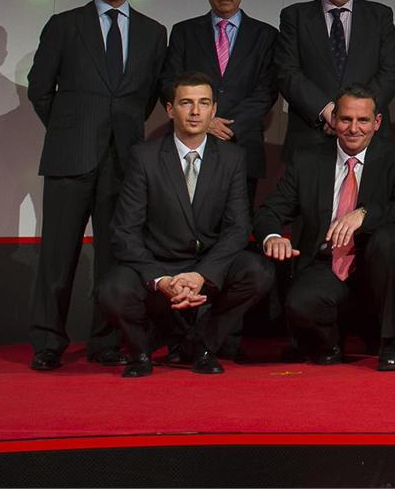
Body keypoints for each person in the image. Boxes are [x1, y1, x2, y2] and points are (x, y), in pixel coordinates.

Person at [27, 0, 167, 371]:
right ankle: (48, 342)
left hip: (124, 161)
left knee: (115, 257)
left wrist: (116, 131)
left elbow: (144, 99)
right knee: (58, 255)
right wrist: (73, 130)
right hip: (71, 158)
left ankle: (106, 341)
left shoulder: (152, 32)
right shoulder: (64, 25)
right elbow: (39, 89)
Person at [98, 71, 274, 377]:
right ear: (170, 109)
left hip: (204, 262)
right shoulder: (144, 156)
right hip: (157, 261)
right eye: (186, 103)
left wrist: (202, 274)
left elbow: (237, 228)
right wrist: (161, 279)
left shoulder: (233, 157)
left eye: (204, 103)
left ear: (213, 110)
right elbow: (124, 231)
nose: (195, 111)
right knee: (112, 288)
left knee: (258, 272)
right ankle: (142, 352)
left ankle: (201, 345)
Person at [254, 86, 395, 371]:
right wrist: (272, 236)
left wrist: (364, 215)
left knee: (390, 237)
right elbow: (270, 210)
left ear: (377, 122)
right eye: (345, 120)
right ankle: (329, 343)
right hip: (325, 263)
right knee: (300, 303)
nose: (353, 128)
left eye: (363, 120)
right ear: (334, 120)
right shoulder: (308, 159)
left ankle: (390, 341)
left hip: (377, 270)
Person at [163, 0, 278, 208]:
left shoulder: (266, 35)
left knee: (236, 228)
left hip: (242, 144)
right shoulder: (184, 32)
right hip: (191, 146)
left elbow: (267, 90)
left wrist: (227, 126)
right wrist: (206, 122)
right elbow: (170, 82)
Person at [275, 0, 395, 160]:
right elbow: (287, 72)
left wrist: (355, 116)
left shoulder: (380, 16)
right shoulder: (294, 16)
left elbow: (390, 71)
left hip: (366, 138)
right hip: (310, 137)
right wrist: (327, 112)